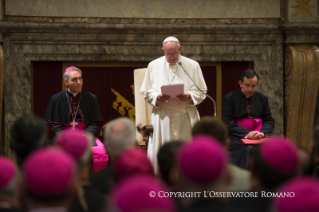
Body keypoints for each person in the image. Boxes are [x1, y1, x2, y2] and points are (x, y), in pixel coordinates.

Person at [140, 36, 207, 172]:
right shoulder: (154, 65)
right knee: (162, 151)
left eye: (174, 53)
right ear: (163, 51)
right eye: (168, 53)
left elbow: (202, 91)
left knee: (185, 153)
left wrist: (189, 95)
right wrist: (157, 96)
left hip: (185, 116)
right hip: (162, 117)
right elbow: (146, 91)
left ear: (180, 49)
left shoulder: (193, 65)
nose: (171, 57)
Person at [44, 66, 108, 172]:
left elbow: (95, 124)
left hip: (86, 137)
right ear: (66, 81)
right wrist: (67, 138)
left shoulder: (91, 98)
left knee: (100, 152)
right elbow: (55, 125)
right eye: (74, 79)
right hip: (62, 137)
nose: (79, 82)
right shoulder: (56, 99)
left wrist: (83, 136)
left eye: (80, 78)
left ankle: (95, 182)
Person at [222, 69, 274, 169]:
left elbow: (269, 121)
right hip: (237, 136)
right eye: (247, 85)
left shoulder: (262, 98)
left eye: (253, 86)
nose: (250, 89)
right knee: (248, 149)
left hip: (260, 136)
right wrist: (247, 134)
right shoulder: (229, 98)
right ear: (240, 83)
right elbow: (228, 122)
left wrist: (262, 133)